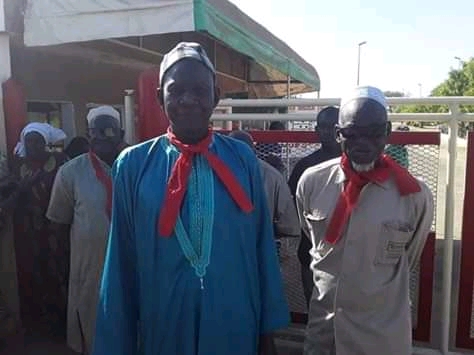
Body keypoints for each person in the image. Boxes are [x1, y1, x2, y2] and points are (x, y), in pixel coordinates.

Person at [92, 42, 289, 355]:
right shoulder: (133, 165)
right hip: (164, 326)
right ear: (160, 97)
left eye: (200, 90)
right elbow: (121, 261)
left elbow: (261, 248)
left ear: (216, 95)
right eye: (176, 90)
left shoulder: (242, 160)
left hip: (235, 326)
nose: (188, 100)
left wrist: (267, 337)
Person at [296, 86, 434, 355]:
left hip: (381, 341)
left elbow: (410, 256)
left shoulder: (415, 196)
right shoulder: (311, 183)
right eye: (352, 133)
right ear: (338, 134)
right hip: (325, 339)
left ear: (387, 132)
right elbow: (310, 237)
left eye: (374, 132)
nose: (363, 142)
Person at [47, 106, 125, 354]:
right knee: (93, 332)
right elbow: (58, 226)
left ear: (121, 133)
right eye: (95, 131)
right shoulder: (70, 173)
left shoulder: (137, 166)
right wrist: (63, 272)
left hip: (131, 268)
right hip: (90, 272)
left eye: (108, 130)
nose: (101, 136)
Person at [10, 122, 68, 340]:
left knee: (59, 273)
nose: (33, 145)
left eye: (38, 141)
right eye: (29, 141)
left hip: (56, 230)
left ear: (46, 143)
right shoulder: (19, 167)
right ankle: (40, 323)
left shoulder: (61, 163)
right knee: (35, 274)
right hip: (29, 233)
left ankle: (62, 322)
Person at [288, 106, 341, 307]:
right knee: (316, 307)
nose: (328, 132)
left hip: (348, 257)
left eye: (333, 126)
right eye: (323, 127)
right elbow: (293, 204)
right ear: (316, 130)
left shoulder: (357, 165)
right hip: (311, 251)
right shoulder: (305, 167)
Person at [228, 130, 300, 257]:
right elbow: (288, 224)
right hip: (263, 246)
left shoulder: (211, 174)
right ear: (253, 149)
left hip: (225, 246)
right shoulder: (272, 175)